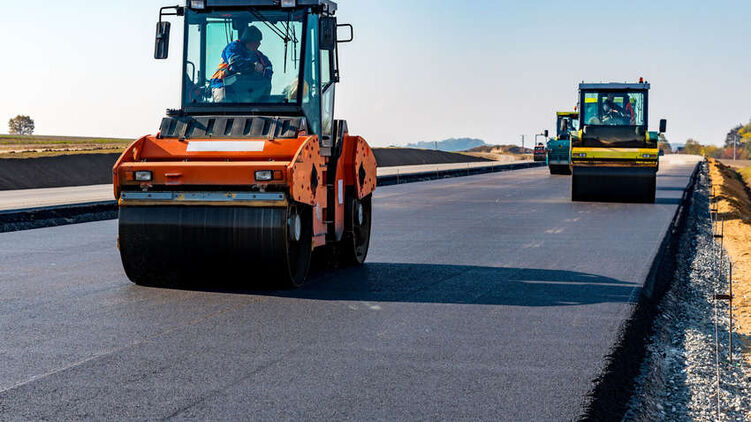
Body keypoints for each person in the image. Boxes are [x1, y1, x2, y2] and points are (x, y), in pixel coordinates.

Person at [210, 26, 273, 103]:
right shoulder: (232, 48)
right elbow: (235, 65)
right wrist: (253, 66)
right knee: (223, 103)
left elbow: (269, 69)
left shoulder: (258, 55)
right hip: (223, 84)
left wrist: (263, 70)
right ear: (248, 41)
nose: (259, 44)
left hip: (246, 90)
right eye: (256, 41)